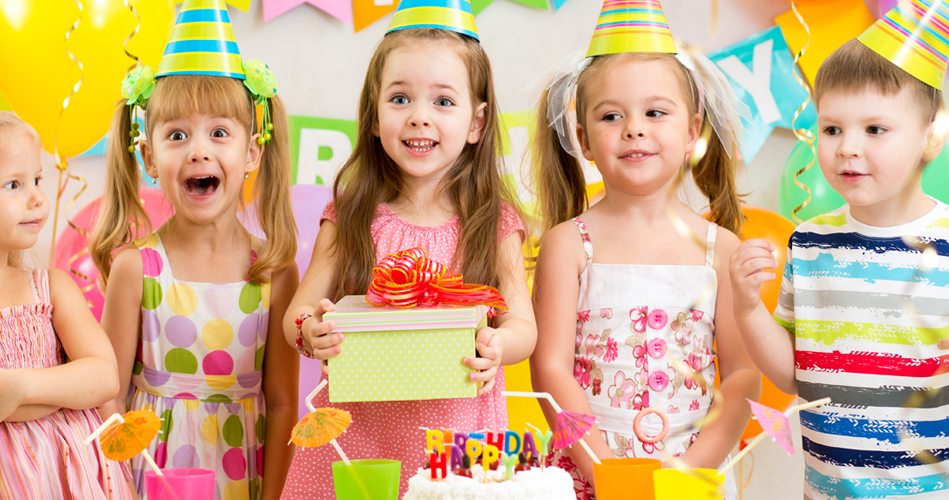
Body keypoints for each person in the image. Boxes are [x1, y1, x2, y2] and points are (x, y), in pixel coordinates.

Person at [280, 2, 536, 498]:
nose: (419, 117)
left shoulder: (493, 221)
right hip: (357, 438)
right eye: (400, 99)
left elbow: (523, 325)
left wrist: (499, 348)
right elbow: (299, 311)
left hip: (460, 441)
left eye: (443, 102)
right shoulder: (350, 214)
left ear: (477, 123)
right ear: (374, 116)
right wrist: (311, 331)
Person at [529, 2, 760, 498]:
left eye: (655, 112)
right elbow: (549, 367)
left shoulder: (721, 250)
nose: (634, 128)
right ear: (584, 138)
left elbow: (742, 372)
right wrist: (605, 470)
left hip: (692, 481)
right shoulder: (568, 244)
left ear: (692, 130)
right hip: (589, 474)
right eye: (612, 115)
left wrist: (692, 472)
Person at [730, 3, 949, 498]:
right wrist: (746, 306)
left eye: (875, 129)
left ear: (930, 136)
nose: (847, 146)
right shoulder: (808, 243)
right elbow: (792, 376)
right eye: (832, 128)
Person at [89, 1, 299, 498]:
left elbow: (285, 404)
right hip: (150, 481)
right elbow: (109, 398)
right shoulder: (134, 267)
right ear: (149, 158)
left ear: (252, 152)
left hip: (241, 477)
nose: (199, 150)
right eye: (177, 134)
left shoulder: (275, 272)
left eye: (219, 133)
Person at [0, 111, 133, 500]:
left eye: (37, 179)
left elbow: (104, 377)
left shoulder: (51, 289)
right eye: (13, 184)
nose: (38, 197)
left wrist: (18, 387)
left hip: (69, 476)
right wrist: (56, 395)